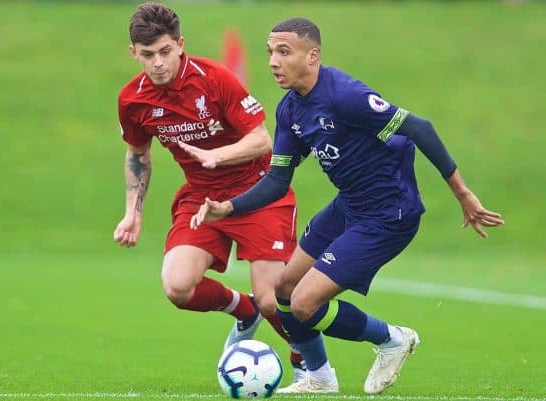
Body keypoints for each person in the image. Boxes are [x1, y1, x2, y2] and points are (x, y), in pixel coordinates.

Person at [190, 17, 505, 394]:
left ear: (313, 56)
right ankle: (319, 377)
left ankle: (392, 339)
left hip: (389, 213)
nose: (273, 61)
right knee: (283, 289)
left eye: (284, 51)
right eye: (270, 51)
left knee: (305, 304)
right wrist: (229, 207)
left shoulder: (345, 96)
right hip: (349, 205)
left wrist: (463, 194)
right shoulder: (290, 110)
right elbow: (277, 181)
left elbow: (419, 128)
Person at [112, 2, 310, 383]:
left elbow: (261, 139)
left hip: (257, 192)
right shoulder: (132, 100)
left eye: (165, 52)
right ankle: (244, 312)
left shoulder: (215, 78)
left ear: (180, 45)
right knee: (177, 286)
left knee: (274, 300)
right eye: (148, 54)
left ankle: (311, 367)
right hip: (202, 197)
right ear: (133, 52)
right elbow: (138, 153)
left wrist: (217, 155)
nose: (158, 63)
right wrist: (132, 212)